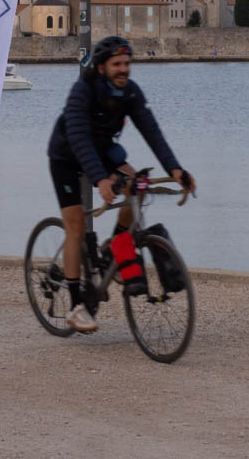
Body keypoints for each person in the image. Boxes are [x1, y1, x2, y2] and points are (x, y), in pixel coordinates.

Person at [44, 35, 196, 332]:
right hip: (66, 156)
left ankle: (114, 248)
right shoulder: (83, 91)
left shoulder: (130, 92)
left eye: (127, 63)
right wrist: (100, 179)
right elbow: (78, 137)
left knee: (137, 187)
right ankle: (76, 306)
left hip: (103, 153)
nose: (124, 69)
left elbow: (152, 131)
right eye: (117, 64)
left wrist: (176, 169)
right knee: (75, 226)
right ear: (101, 67)